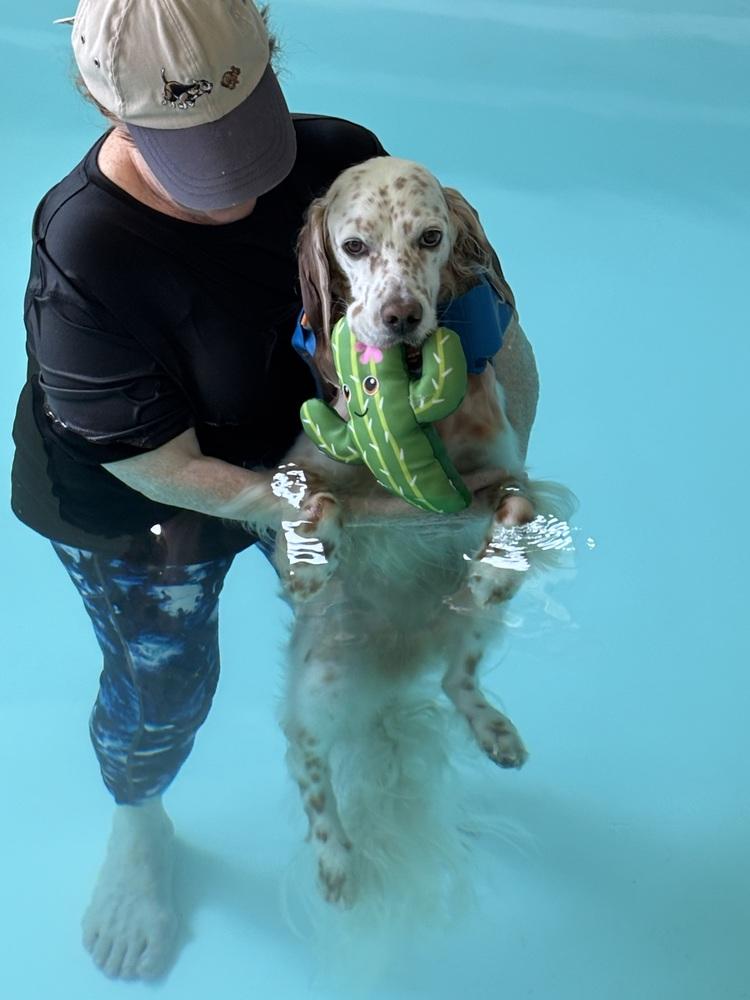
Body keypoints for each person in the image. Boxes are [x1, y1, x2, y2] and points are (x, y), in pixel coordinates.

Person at [10, 0, 394, 981]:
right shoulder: (84, 250)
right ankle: (139, 830)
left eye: (241, 139)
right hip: (140, 493)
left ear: (268, 55)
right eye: (194, 155)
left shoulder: (342, 159)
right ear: (107, 103)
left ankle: (364, 779)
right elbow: (157, 467)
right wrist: (309, 503)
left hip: (297, 440)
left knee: (362, 624)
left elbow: (423, 311)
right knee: (165, 687)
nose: (231, 193)